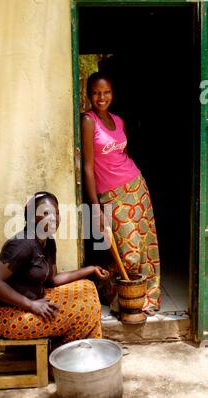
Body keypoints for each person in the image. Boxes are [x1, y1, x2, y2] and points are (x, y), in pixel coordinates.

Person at [0, 191, 110, 345]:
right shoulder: (23, 244)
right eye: (46, 213)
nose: (53, 218)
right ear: (31, 217)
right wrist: (31, 305)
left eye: (56, 213)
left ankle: (83, 351)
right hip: (9, 316)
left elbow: (52, 279)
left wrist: (90, 270)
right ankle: (64, 355)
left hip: (34, 303)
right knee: (85, 310)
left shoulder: (48, 241)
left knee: (87, 289)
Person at [81, 72, 160, 314]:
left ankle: (146, 299)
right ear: (88, 95)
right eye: (96, 92)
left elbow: (122, 155)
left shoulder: (119, 121)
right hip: (112, 196)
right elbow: (88, 167)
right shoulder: (88, 121)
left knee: (147, 248)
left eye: (106, 92)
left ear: (112, 94)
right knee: (129, 254)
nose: (101, 97)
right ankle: (111, 291)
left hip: (136, 186)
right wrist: (96, 208)